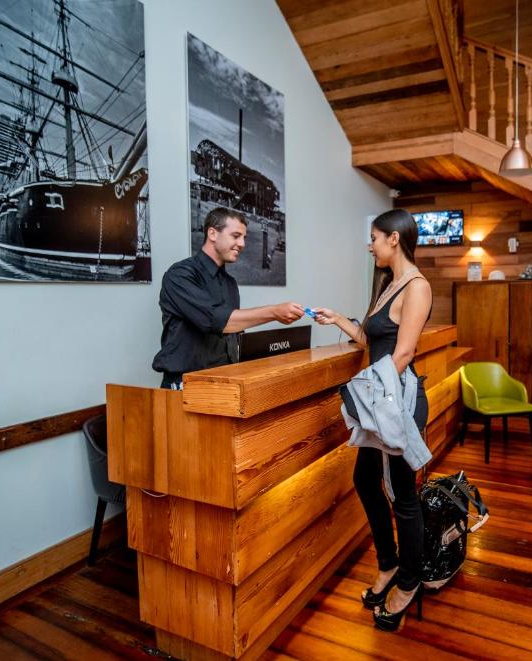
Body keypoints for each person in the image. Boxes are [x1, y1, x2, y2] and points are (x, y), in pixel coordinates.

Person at [312, 209, 433, 631]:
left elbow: (403, 355)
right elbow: (372, 340)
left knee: (403, 495)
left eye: (374, 238)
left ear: (394, 240)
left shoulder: (417, 286)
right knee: (365, 480)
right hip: (377, 397)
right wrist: (339, 320)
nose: (370, 245)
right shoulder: (387, 285)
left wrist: (361, 391)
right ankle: (387, 563)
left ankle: (409, 579)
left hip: (397, 401)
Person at [152, 207, 303, 389]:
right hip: (186, 384)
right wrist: (274, 312)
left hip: (225, 380)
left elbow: (233, 333)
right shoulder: (181, 275)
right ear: (213, 233)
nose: (242, 244)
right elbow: (216, 320)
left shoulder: (230, 283)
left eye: (243, 238)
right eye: (236, 236)